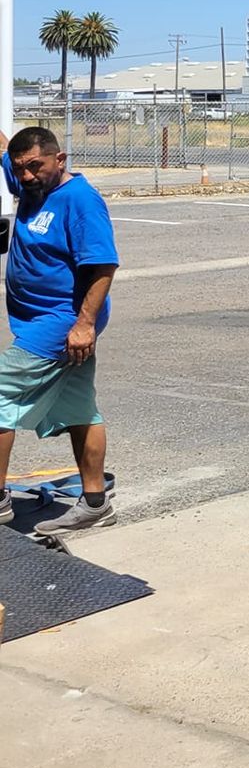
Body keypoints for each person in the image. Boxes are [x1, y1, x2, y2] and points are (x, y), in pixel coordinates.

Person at [0, 126, 121, 537]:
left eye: (36, 166)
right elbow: (3, 147)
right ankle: (93, 504)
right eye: (21, 169)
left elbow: (103, 266)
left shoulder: (80, 200)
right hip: (43, 322)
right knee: (79, 410)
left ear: (60, 159)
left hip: (61, 322)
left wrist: (84, 325)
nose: (28, 176)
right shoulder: (27, 183)